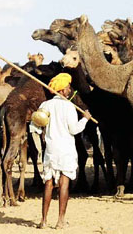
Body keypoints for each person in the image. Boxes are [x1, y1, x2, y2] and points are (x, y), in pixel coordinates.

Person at [30, 73, 92, 229]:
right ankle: (60, 221)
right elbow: (74, 129)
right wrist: (85, 118)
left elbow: (35, 126)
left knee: (48, 183)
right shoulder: (69, 107)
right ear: (63, 90)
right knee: (64, 183)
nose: (70, 90)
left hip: (50, 150)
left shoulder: (45, 105)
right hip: (66, 150)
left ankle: (43, 221)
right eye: (68, 87)